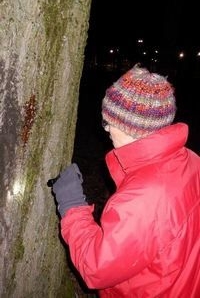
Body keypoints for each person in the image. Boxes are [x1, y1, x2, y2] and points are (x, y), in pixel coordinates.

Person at [49, 64, 200, 297]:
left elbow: (96, 268)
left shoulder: (142, 198)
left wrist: (72, 204)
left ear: (132, 127)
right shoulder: (190, 161)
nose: (106, 129)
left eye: (110, 122)